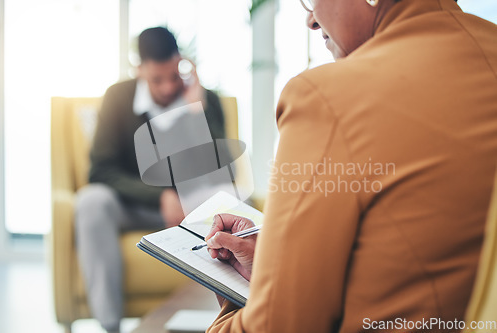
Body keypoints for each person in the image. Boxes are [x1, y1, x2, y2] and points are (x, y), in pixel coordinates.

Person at [203, 0, 497, 332]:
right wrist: (278, 274)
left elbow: (278, 327)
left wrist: (233, 298)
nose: (311, 20)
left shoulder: (327, 97)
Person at [75, 27, 226, 333]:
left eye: (174, 75)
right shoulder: (118, 97)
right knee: (91, 201)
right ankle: (110, 327)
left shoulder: (204, 99)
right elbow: (100, 170)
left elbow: (221, 170)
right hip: (137, 206)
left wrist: (197, 112)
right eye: (158, 79)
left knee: (236, 204)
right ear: (139, 69)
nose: (169, 86)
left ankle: (227, 322)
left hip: (191, 209)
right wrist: (159, 196)